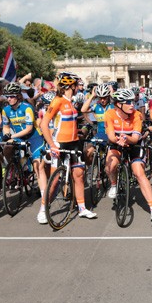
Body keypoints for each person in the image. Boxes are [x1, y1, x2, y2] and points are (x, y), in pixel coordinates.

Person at [39, 72, 97, 220]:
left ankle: (82, 208)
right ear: (71, 85)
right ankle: (42, 208)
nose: (78, 87)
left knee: (78, 176)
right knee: (55, 179)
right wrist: (52, 145)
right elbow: (43, 124)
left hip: (74, 143)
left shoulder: (70, 101)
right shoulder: (58, 100)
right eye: (77, 85)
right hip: (60, 143)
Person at [104, 89, 152, 221]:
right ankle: (114, 184)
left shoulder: (137, 115)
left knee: (139, 173)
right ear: (118, 104)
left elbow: (134, 138)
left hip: (133, 144)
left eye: (132, 101)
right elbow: (110, 136)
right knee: (111, 165)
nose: (132, 105)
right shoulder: (109, 114)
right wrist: (118, 140)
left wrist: (126, 139)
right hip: (116, 143)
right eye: (127, 102)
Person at [1, 82, 49, 224]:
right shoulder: (5, 110)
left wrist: (11, 136)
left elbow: (28, 129)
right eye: (7, 96)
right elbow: (6, 126)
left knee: (38, 168)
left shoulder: (27, 108)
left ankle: (44, 204)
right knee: (6, 149)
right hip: (18, 137)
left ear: (18, 96)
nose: (9, 99)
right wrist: (7, 135)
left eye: (11, 96)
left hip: (34, 138)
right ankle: (14, 168)